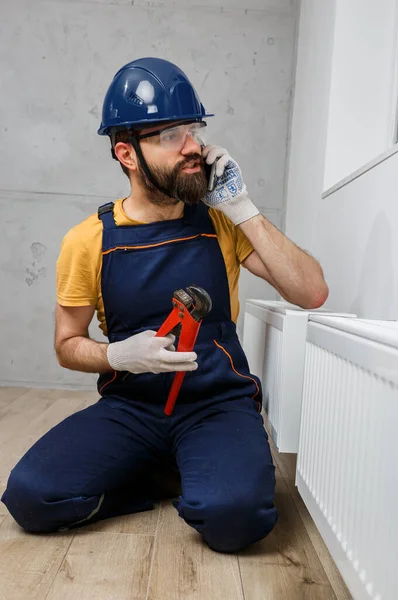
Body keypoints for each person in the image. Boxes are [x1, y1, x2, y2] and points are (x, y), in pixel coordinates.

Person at [1, 58, 328, 552]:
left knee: (237, 518)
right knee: (30, 498)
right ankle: (168, 473)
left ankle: (201, 472)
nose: (194, 145)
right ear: (127, 153)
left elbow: (311, 292)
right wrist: (116, 356)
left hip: (217, 406)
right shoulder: (87, 240)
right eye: (171, 134)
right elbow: (67, 346)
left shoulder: (221, 223)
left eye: (194, 129)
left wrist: (243, 208)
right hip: (132, 409)